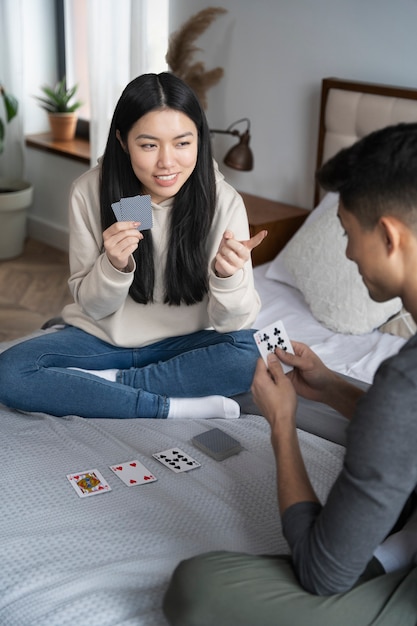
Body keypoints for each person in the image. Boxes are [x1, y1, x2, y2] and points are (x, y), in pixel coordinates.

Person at [163, 122, 417, 625]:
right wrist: (331, 385)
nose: (346, 253)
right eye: (146, 143)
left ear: (389, 235)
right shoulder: (107, 192)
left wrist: (282, 425)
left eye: (348, 234)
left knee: (198, 587)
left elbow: (322, 573)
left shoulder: (402, 384)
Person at [0, 72, 266, 419]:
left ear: (199, 140)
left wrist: (226, 276)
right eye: (149, 145)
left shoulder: (222, 201)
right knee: (11, 371)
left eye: (182, 143)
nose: (167, 162)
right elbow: (94, 308)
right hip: (101, 342)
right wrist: (114, 266)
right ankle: (163, 405)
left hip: (181, 345)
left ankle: (110, 384)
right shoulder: (91, 191)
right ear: (123, 141)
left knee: (256, 352)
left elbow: (233, 325)